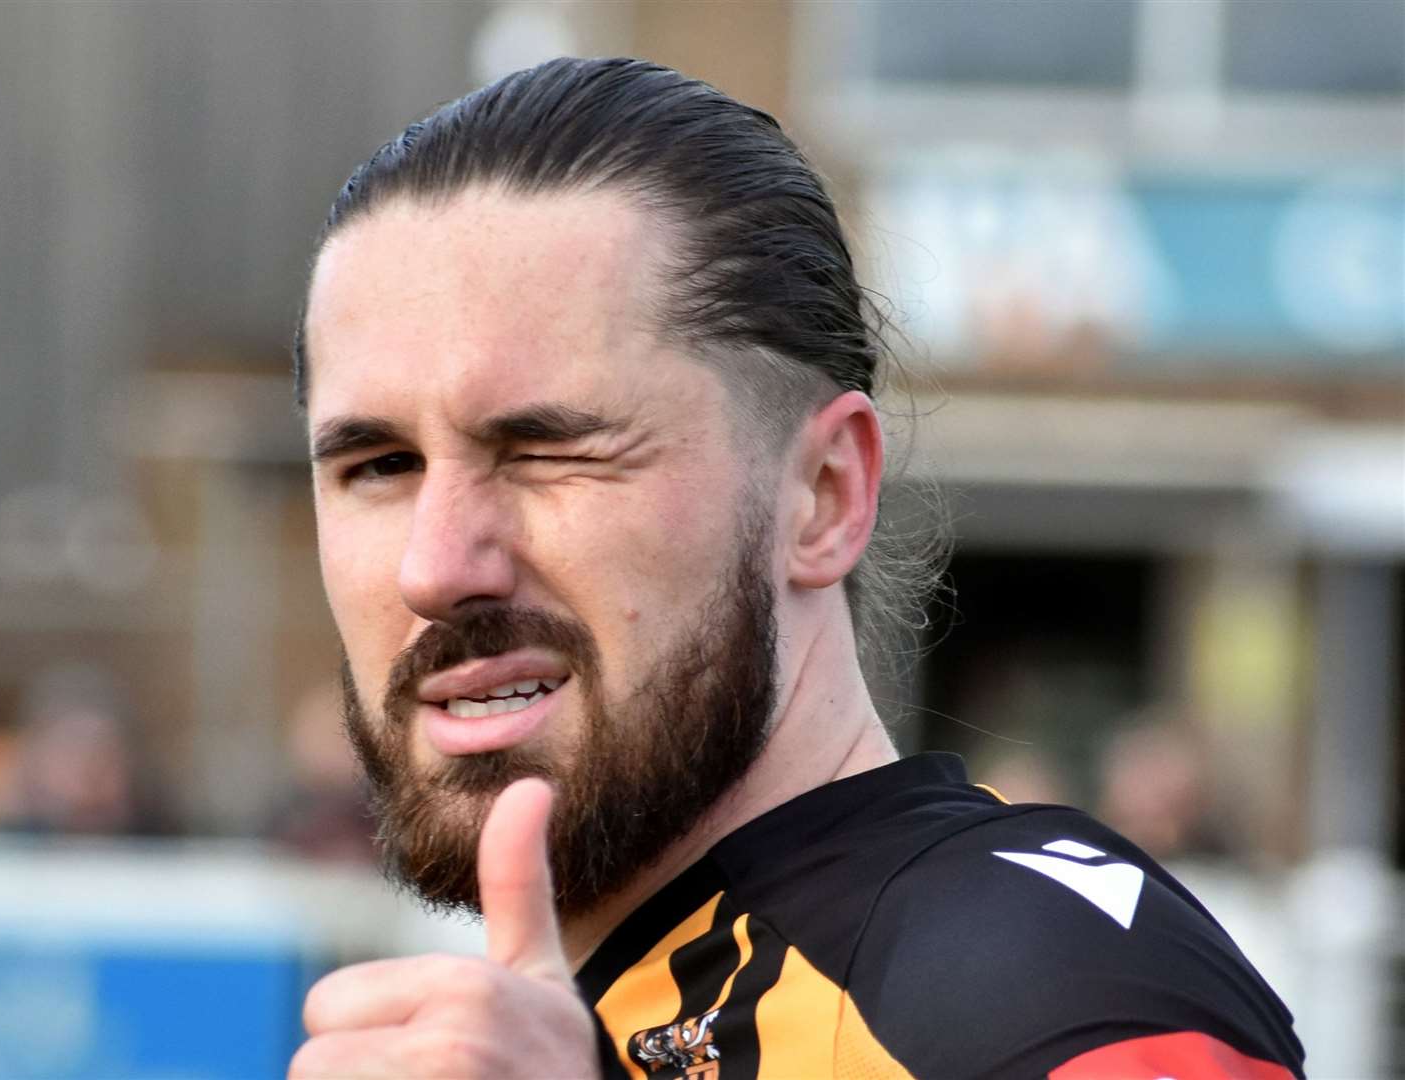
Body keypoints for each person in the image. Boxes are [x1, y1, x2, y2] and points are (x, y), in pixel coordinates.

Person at [288, 58, 1304, 1079]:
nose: (435, 566)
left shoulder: (1035, 988)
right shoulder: (603, 1026)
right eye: (379, 466)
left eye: (547, 450)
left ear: (822, 495)